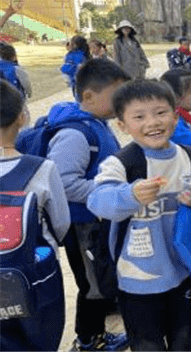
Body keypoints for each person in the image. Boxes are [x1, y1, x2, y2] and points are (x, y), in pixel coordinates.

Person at [86, 80, 191, 351]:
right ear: (122, 125)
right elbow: (97, 200)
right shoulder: (120, 164)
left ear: (175, 117)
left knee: (185, 338)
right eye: (139, 116)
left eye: (160, 112)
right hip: (137, 280)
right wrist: (130, 196)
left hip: (182, 273)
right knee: (147, 343)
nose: (152, 122)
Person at [46, 59, 131, 351]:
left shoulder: (96, 124)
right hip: (82, 225)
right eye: (116, 94)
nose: (123, 101)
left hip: (95, 221)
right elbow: (63, 183)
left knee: (100, 279)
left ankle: (99, 326)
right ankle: (88, 340)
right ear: (89, 96)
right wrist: (109, 189)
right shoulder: (75, 134)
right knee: (92, 287)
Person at [0, 81, 71, 351]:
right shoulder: (41, 168)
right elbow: (61, 224)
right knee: (40, 337)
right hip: (35, 273)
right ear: (22, 117)